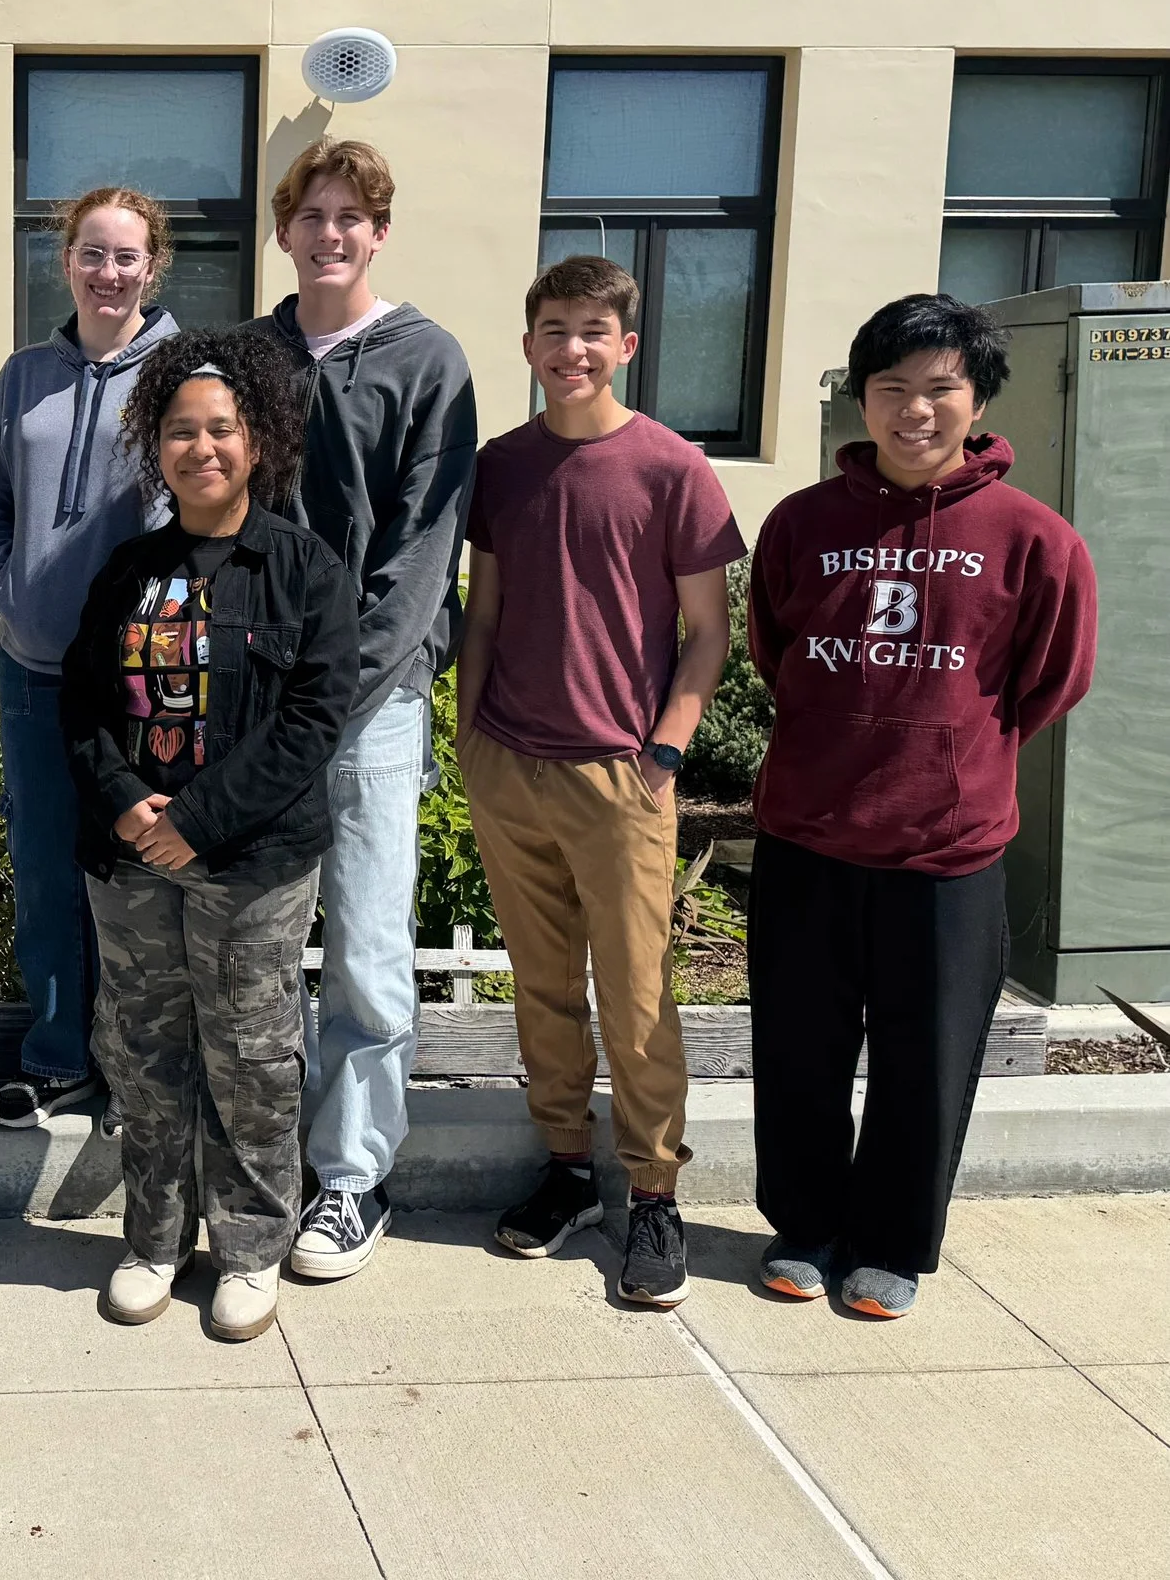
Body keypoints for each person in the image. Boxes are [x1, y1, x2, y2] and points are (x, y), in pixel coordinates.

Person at [746, 293, 1095, 1319]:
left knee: (926, 1060)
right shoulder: (802, 523)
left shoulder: (1035, 539)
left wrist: (948, 752)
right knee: (800, 1047)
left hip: (946, 849)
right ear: (862, 397)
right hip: (807, 831)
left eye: (937, 389)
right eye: (891, 389)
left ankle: (892, 1242)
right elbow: (776, 649)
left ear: (975, 397)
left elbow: (1047, 683)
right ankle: (803, 1226)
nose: (912, 411)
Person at [455, 256, 744, 1307]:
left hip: (623, 774)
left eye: (590, 329)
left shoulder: (673, 468)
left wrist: (665, 747)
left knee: (634, 994)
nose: (568, 347)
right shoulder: (501, 466)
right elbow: (481, 610)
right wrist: (469, 736)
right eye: (550, 328)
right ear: (527, 345)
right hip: (509, 765)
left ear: (625, 345)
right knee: (538, 987)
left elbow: (709, 631)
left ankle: (653, 1188)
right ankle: (567, 1166)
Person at [62, 333, 356, 1342]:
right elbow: (84, 703)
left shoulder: (303, 570)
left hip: (251, 865)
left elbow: (312, 722)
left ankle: (248, 1247)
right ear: (157, 443)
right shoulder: (128, 570)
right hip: (131, 857)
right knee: (142, 1054)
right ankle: (152, 1237)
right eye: (180, 429)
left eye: (220, 428)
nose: (201, 447)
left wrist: (196, 820)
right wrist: (126, 802)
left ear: (260, 438)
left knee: (250, 1056)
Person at [254, 139, 476, 1281]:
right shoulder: (250, 355)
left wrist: (334, 693)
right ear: (284, 229)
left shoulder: (425, 359)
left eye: (352, 216)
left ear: (378, 232)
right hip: (251, 705)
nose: (330, 233)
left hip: (368, 711)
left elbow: (420, 554)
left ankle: (349, 1177)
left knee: (367, 954)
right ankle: (252, 1163)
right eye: (312, 213)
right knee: (249, 947)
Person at [0, 187, 182, 1129]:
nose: (108, 273)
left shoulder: (181, 373)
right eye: (92, 254)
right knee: (47, 865)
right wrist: (7, 589)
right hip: (31, 667)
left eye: (127, 257)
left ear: (153, 266)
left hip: (134, 680)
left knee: (137, 874)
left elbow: (193, 514)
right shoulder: (23, 376)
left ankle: (135, 1072)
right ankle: (56, 1059)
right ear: (65, 262)